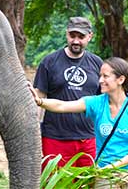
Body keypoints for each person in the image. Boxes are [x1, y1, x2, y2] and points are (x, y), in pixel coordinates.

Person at [30, 57, 128, 189]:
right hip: (105, 174)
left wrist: (114, 166)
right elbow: (62, 105)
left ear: (121, 79)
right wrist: (39, 101)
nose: (100, 80)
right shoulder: (96, 103)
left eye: (105, 76)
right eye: (100, 75)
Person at [33, 17, 103, 169]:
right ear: (66, 34)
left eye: (81, 37)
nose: (76, 41)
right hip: (55, 138)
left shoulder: (97, 63)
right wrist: (35, 131)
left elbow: (103, 101)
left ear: (90, 36)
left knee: (86, 184)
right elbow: (39, 97)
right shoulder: (49, 62)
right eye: (73, 36)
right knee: (56, 183)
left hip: (88, 138)